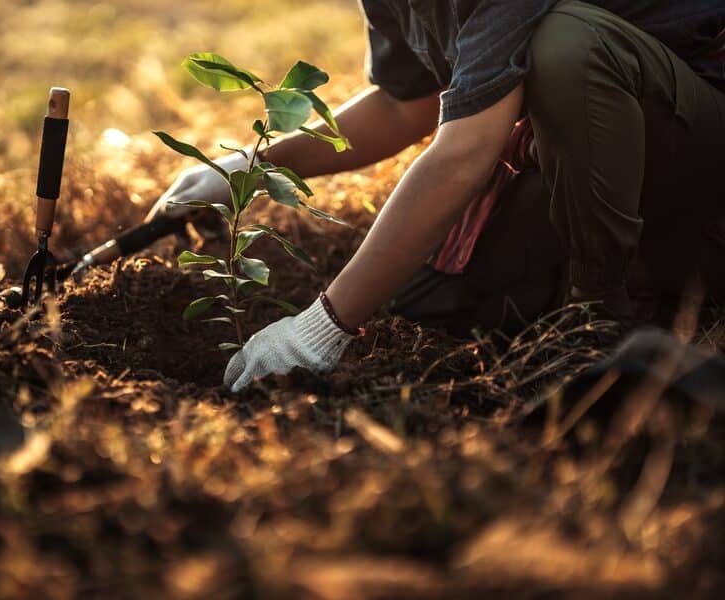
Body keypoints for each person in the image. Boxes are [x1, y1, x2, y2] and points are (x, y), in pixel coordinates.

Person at [147, 0, 725, 392]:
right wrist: (251, 165)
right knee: (428, 305)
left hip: (697, 138)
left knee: (567, 44)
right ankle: (645, 279)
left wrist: (322, 326)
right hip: (606, 157)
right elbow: (408, 104)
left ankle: (601, 322)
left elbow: (468, 149)